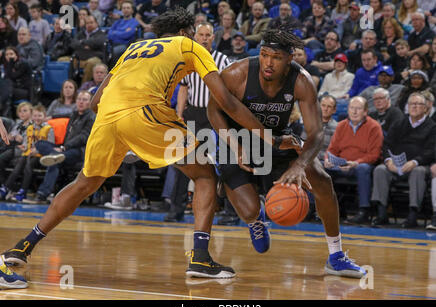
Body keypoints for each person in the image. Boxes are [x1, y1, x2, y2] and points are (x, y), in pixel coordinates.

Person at [1, 7, 291, 282]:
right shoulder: (189, 46)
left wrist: (125, 132)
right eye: (192, 32)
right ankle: (200, 258)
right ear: (183, 31)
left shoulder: (133, 48)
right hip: (146, 112)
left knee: (83, 184)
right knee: (204, 175)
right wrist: (266, 134)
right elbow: (225, 100)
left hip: (106, 119)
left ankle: (23, 247)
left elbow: (93, 102)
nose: (194, 37)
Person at [207, 27, 367, 278]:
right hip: (235, 142)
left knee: (323, 181)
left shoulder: (301, 81)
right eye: (265, 54)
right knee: (248, 211)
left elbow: (315, 133)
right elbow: (213, 110)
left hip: (277, 140)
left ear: (289, 59)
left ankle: (336, 256)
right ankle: (256, 218)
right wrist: (233, 144)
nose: (268, 63)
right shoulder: (237, 73)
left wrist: (300, 165)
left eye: (276, 57)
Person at [164, 21, 230, 223]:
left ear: (213, 37)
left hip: (216, 115)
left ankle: (229, 210)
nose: (203, 38)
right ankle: (176, 209)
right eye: (200, 34)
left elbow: (229, 90)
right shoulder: (187, 60)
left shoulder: (222, 60)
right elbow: (183, 88)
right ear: (195, 37)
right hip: (193, 114)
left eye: (207, 35)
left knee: (224, 161)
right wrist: (179, 114)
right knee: (183, 162)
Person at [371, 93, 436, 227]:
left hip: (419, 165)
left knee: (418, 172)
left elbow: (431, 151)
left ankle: (413, 214)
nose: (414, 107)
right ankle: (381, 212)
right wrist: (389, 161)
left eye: (418, 104)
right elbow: (387, 144)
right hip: (397, 165)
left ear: (425, 108)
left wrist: (414, 162)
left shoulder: (432, 127)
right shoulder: (399, 122)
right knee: (380, 169)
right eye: (412, 104)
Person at [24, 91, 95, 204]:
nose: (81, 102)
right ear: (76, 101)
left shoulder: (91, 117)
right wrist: (50, 117)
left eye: (85, 99)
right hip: (63, 149)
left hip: (78, 151)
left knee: (55, 161)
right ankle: (54, 154)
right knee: (40, 143)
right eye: (79, 99)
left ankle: (42, 194)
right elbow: (63, 115)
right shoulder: (75, 114)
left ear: (90, 103)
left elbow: (83, 137)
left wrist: (64, 147)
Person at [324, 96, 383, 224]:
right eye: (352, 108)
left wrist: (356, 163)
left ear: (365, 111)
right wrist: (328, 159)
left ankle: (363, 211)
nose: (354, 112)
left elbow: (375, 155)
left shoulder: (374, 127)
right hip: (341, 164)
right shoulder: (341, 125)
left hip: (359, 165)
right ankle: (321, 208)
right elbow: (332, 149)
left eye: (358, 108)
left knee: (363, 168)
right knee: (319, 168)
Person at [0, 105, 54, 202]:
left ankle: (23, 190)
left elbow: (50, 145)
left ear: (44, 116)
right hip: (29, 153)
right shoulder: (30, 128)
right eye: (35, 116)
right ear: (32, 117)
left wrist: (37, 150)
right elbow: (27, 141)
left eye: (40, 116)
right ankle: (6, 187)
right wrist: (25, 147)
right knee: (22, 161)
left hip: (41, 155)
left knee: (28, 162)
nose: (37, 118)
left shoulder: (49, 129)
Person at [318, 53, 354, 120]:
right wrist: (326, 98)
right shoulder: (328, 76)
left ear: (345, 64)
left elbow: (346, 93)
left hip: (341, 101)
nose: (339, 64)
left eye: (341, 62)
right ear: (334, 64)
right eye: (337, 62)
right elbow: (322, 91)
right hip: (327, 100)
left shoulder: (350, 76)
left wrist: (332, 98)